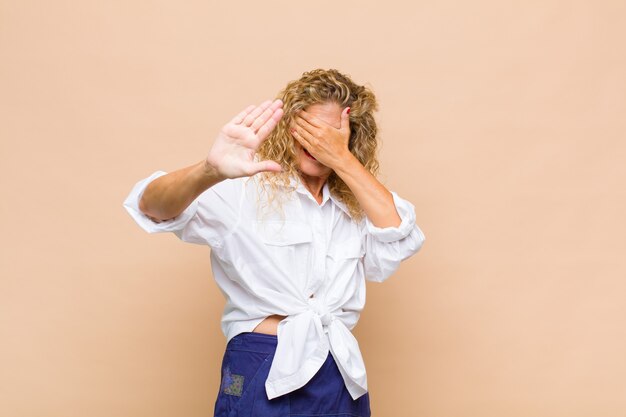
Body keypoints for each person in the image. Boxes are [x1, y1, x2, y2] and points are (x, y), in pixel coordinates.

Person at [123, 68, 425, 417]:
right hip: (263, 359)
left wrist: (342, 160)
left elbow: (400, 237)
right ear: (288, 127)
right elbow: (150, 206)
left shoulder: (356, 205)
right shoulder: (245, 187)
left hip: (338, 366)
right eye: (309, 130)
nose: (317, 143)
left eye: (332, 135)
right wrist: (209, 170)